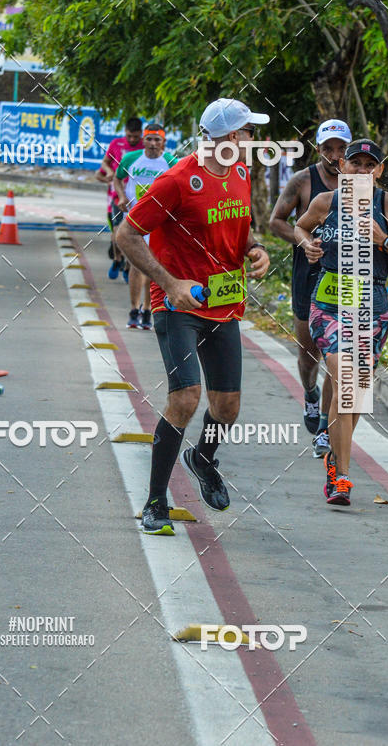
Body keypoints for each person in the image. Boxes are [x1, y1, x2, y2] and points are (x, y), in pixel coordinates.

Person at [117, 98, 270, 534]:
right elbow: (126, 234)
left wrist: (255, 249)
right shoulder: (177, 180)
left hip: (224, 304)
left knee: (227, 407)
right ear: (233, 136)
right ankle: (155, 501)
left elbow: (240, 227)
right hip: (178, 305)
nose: (255, 140)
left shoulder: (241, 172)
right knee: (185, 398)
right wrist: (169, 284)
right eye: (251, 132)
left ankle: (203, 458)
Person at [294, 140, 388, 506]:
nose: (362, 170)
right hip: (329, 303)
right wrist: (307, 245)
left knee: (356, 393)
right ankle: (341, 478)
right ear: (342, 167)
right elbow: (300, 227)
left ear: (379, 170)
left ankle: (335, 457)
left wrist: (384, 241)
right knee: (345, 379)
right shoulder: (326, 202)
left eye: (369, 164)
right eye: (356, 163)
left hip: (371, 306)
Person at [269, 119, 352, 457]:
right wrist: (304, 242)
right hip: (308, 274)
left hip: (345, 278)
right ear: (318, 149)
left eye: (341, 148)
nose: (335, 155)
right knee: (309, 353)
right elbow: (276, 221)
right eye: (328, 148)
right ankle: (310, 393)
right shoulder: (303, 181)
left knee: (338, 355)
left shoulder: (359, 182)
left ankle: (324, 431)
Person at [113, 123, 178, 330]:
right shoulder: (131, 159)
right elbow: (117, 178)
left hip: (158, 223)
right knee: (136, 265)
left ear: (163, 142)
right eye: (149, 139)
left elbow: (180, 187)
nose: (152, 143)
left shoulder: (171, 162)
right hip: (134, 221)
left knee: (153, 265)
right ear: (143, 140)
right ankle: (134, 309)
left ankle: (148, 309)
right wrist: (122, 196)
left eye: (157, 139)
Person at [95, 117, 143, 279]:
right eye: (129, 136)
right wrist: (109, 173)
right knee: (117, 231)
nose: (132, 140)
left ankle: (128, 266)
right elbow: (104, 164)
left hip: (138, 197)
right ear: (125, 132)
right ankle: (117, 259)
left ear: (141, 134)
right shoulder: (116, 144)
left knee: (133, 234)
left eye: (135, 137)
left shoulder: (146, 147)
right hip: (118, 195)